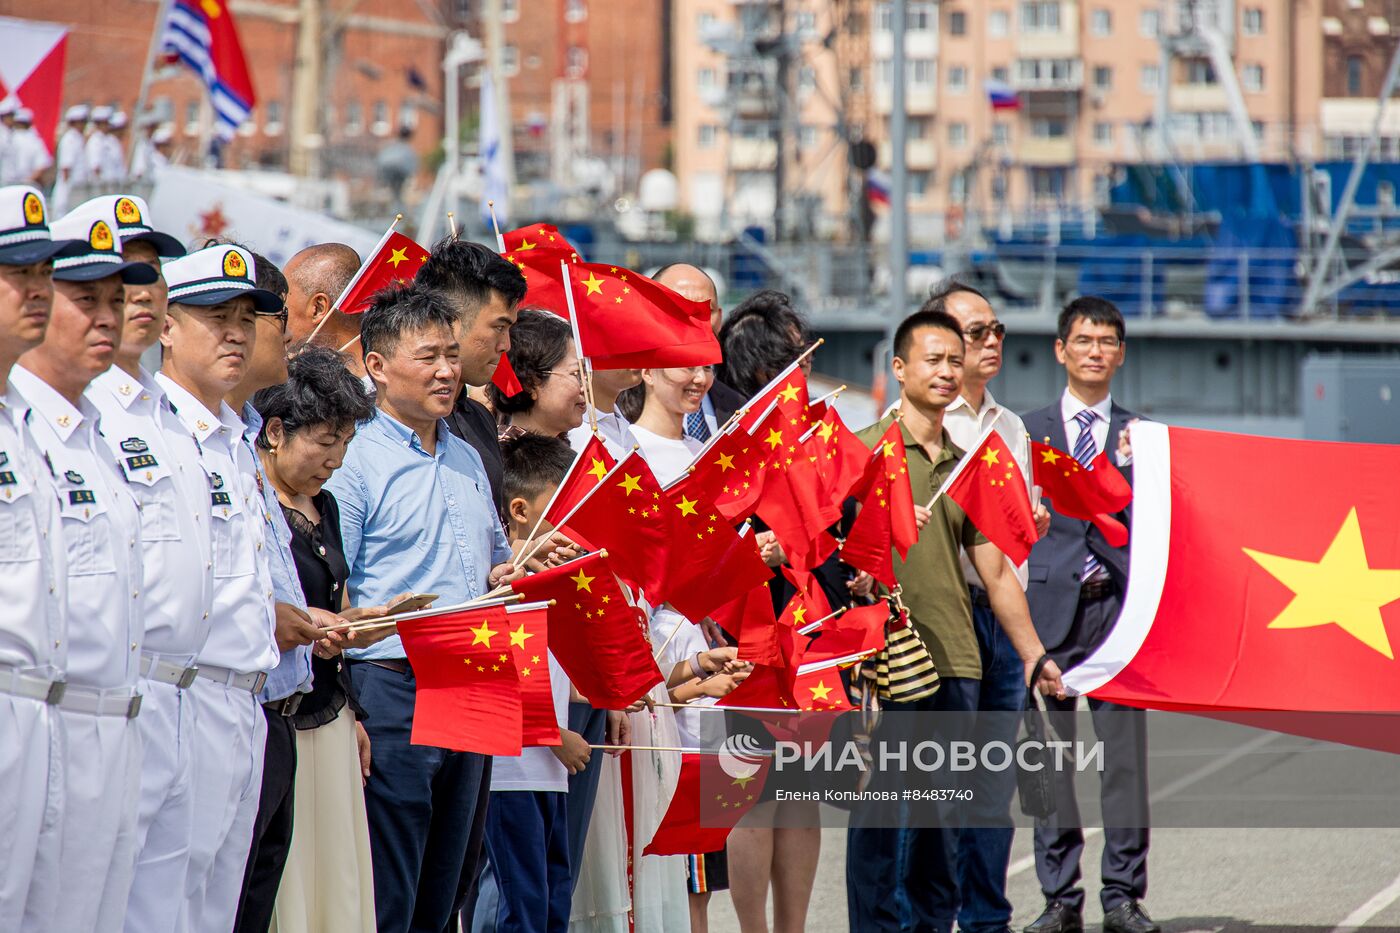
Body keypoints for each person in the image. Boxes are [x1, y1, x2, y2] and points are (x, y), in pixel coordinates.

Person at [846, 308, 1065, 933]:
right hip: (885, 668)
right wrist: (859, 566)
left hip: (959, 663)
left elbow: (997, 575)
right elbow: (822, 552)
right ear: (899, 368)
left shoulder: (972, 465)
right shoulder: (861, 453)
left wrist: (1033, 654)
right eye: (932, 360)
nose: (947, 372)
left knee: (941, 824)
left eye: (953, 360)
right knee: (884, 823)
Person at [326, 283, 523, 933]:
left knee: (454, 870)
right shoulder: (353, 458)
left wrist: (513, 570)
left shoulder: (467, 454)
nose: (447, 370)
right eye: (428, 355)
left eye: (451, 354)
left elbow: (492, 559)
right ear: (377, 365)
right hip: (393, 681)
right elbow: (332, 583)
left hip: (475, 670)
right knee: (393, 868)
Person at [10, 197, 156, 931]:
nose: (107, 316)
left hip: (111, 719)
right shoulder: (27, 425)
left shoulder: (95, 434)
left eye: (114, 299)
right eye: (84, 299)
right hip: (27, 711)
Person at [74, 195, 206, 933]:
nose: (144, 295)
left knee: (182, 904)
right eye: (123, 280)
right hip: (105, 692)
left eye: (153, 277)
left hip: (186, 691)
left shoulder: (171, 413)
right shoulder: (74, 412)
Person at [154, 244, 289, 933]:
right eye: (215, 316)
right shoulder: (150, 430)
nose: (235, 332)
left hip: (245, 701)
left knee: (217, 905)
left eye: (247, 316)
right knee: (160, 904)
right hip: (180, 691)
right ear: (167, 325)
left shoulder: (236, 435)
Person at [909, 280, 1051, 933]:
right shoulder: (920, 427)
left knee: (993, 784)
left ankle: (988, 918)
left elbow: (1009, 535)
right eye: (976, 332)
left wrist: (1032, 522)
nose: (991, 341)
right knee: (939, 787)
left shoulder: (1012, 426)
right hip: (946, 616)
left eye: (997, 329)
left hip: (1003, 611)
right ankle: (931, 916)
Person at [1021, 297, 1155, 933]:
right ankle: (1059, 899)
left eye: (1107, 341)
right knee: (1047, 766)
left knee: (1123, 761)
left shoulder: (1146, 437)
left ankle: (1123, 896)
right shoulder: (1025, 432)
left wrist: (1142, 463)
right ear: (1061, 350)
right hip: (1045, 615)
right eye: (1083, 339)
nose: (1095, 350)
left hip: (1117, 615)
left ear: (1121, 353)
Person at [252, 346, 390, 933]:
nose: (334, 459)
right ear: (277, 431)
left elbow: (332, 606)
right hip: (275, 714)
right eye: (325, 440)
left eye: (345, 443)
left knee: (335, 875)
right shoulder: (251, 502)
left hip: (329, 711)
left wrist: (358, 624)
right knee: (280, 878)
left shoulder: (325, 505)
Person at [0, 186, 77, 932]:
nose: (36, 291)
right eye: (16, 274)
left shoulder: (33, 426)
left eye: (42, 273)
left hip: (53, 710)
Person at [478, 432, 593, 933]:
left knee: (550, 899)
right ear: (520, 509)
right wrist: (556, 735)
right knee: (518, 903)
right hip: (512, 770)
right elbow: (503, 680)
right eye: (562, 507)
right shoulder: (507, 581)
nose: (574, 522)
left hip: (544, 770)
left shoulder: (554, 579)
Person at [417, 236, 526, 510]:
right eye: (499, 327)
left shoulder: (479, 419)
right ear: (448, 322)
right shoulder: (386, 422)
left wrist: (526, 550)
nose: (506, 345)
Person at [652, 263, 744, 438]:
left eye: (706, 311)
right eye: (680, 308)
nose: (694, 322)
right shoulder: (619, 402)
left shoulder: (738, 407)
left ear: (720, 318)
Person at [487, 309, 586, 439]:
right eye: (576, 373)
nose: (586, 387)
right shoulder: (504, 456)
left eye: (585, 374)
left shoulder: (576, 452)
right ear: (531, 383)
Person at [283, 242, 365, 375]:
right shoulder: (291, 381)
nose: (278, 323)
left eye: (284, 309)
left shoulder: (385, 392)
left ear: (318, 308)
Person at [52, 105, 89, 213]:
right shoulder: (70, 139)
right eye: (80, 122)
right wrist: (68, 192)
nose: (83, 125)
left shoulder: (78, 138)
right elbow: (66, 168)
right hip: (69, 189)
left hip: (77, 189)